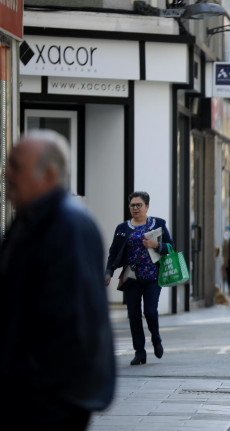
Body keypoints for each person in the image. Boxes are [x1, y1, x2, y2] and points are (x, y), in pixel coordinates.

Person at [0, 130, 115, 428]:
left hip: (50, 397)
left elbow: (71, 320)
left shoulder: (67, 224)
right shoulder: (32, 219)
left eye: (15, 166)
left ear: (48, 174)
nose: (6, 173)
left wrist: (31, 381)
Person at [105, 191, 174, 365]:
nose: (135, 208)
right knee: (134, 315)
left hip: (152, 276)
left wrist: (156, 244)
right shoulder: (123, 228)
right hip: (131, 278)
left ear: (147, 206)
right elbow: (113, 252)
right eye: (132, 205)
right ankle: (139, 352)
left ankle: (156, 338)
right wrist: (108, 272)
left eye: (139, 205)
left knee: (150, 311)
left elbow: (171, 247)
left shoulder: (157, 224)